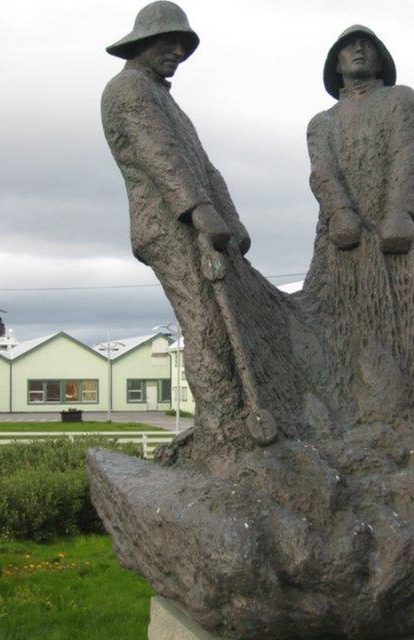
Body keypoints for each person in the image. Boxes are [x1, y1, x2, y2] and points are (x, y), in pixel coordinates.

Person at [101, 2, 253, 437]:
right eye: (168, 44)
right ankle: (223, 428)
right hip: (168, 224)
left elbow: (205, 166)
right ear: (144, 43)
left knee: (223, 323)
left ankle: (231, 421)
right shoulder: (128, 88)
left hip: (199, 222)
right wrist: (201, 210)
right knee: (205, 322)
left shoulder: (163, 97)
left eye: (182, 47)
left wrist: (233, 220)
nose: (177, 54)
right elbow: (159, 156)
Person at [303, 25, 414, 427]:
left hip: (390, 235)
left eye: (367, 45)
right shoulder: (321, 123)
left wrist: (402, 212)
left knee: (397, 316)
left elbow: (409, 154)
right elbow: (322, 173)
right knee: (339, 318)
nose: (359, 50)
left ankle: (409, 404)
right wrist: (339, 212)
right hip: (340, 238)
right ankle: (349, 406)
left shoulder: (400, 100)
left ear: (381, 58)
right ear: (336, 63)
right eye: (348, 47)